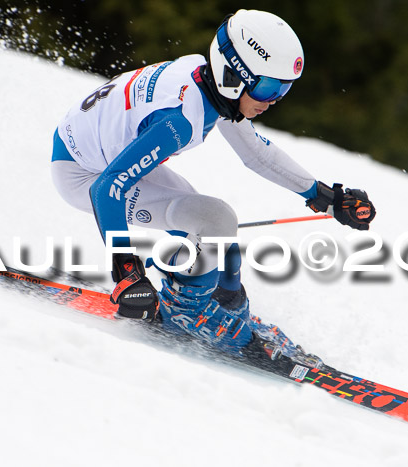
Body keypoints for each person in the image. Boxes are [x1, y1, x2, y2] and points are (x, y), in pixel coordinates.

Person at [51, 9, 375, 353]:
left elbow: (258, 155)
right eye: (267, 87)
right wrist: (127, 270)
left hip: (101, 155)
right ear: (233, 75)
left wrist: (326, 196)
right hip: (84, 174)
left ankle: (221, 301)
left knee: (210, 232)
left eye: (283, 89)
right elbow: (108, 189)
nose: (273, 100)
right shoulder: (180, 121)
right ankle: (189, 310)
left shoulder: (208, 85)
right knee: (215, 220)